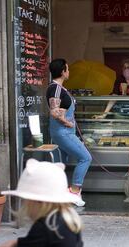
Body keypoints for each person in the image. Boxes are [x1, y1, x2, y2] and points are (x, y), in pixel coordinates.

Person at [0, 159, 96, 247]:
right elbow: (41, 242)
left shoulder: (45, 227)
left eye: (26, 200)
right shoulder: (65, 217)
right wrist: (18, 242)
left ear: (36, 201)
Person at [47, 58, 92, 207]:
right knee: (85, 158)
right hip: (64, 132)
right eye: (67, 68)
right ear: (62, 71)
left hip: (63, 132)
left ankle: (57, 192)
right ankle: (74, 191)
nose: (69, 71)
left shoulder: (59, 88)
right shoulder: (56, 88)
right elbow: (54, 113)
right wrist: (68, 123)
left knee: (62, 163)